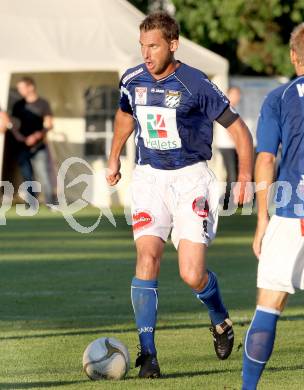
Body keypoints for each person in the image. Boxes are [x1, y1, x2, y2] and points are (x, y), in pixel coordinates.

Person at [106, 11, 253, 378]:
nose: (146, 54)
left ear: (173, 44)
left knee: (192, 274)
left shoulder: (196, 84)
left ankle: (219, 319)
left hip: (191, 180)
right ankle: (148, 355)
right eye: (142, 46)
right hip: (149, 178)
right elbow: (125, 115)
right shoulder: (132, 79)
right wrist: (113, 158)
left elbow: (238, 130)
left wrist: (246, 176)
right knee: (147, 257)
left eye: (153, 46)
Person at [242, 23, 304, 390]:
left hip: (289, 214)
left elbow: (265, 159)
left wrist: (262, 219)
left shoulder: (279, 98)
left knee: (268, 306)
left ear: (294, 57)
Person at [11, 77, 55, 207]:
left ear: (31, 87)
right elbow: (13, 124)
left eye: (21, 87)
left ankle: (50, 203)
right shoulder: (18, 105)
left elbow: (49, 124)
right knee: (27, 176)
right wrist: (17, 135)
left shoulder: (43, 104)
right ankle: (31, 203)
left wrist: (37, 135)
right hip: (22, 146)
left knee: (43, 174)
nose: (19, 90)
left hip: (39, 146)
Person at [216, 86, 241, 209]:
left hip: (232, 147)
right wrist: (239, 144)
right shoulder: (225, 108)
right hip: (226, 146)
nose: (237, 97)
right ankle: (226, 202)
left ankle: (230, 200)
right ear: (228, 94)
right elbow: (230, 130)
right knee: (232, 174)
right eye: (235, 94)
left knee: (232, 174)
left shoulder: (235, 108)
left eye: (238, 94)